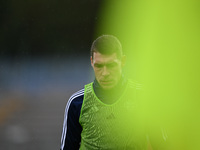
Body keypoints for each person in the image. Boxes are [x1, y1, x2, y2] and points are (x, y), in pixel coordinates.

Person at [60, 35, 148, 150]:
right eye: (99, 66)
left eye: (111, 65)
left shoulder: (143, 97)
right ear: (92, 62)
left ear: (123, 61)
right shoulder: (77, 103)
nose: (105, 73)